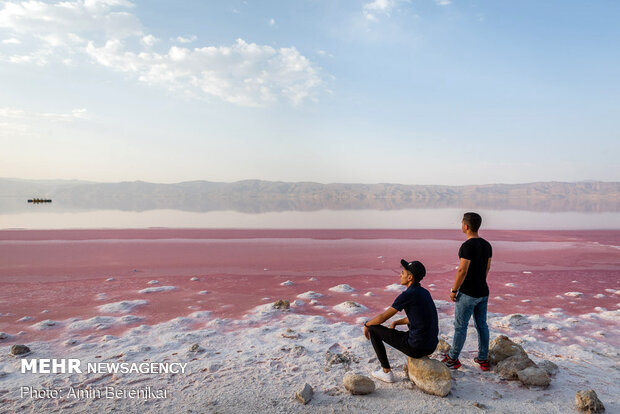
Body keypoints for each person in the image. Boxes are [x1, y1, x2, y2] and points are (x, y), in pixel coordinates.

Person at [363, 259, 439, 383]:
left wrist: (367, 324)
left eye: (402, 273)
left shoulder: (407, 295)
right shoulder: (424, 292)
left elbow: (383, 317)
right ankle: (419, 355)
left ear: (410, 278)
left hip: (416, 347)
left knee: (373, 329)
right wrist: (396, 322)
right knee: (406, 333)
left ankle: (386, 371)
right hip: (431, 346)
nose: (400, 275)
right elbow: (418, 317)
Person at [442, 212, 493, 371]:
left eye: (462, 223)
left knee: (460, 327)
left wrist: (454, 290)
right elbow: (487, 267)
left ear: (466, 226)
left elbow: (462, 271)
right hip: (483, 291)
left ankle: (452, 358)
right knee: (482, 325)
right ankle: (483, 358)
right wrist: (480, 281)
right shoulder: (487, 245)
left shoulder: (467, 246)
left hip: (468, 293)